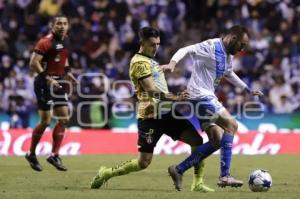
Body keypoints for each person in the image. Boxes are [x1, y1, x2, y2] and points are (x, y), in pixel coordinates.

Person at [90, 27, 214, 192]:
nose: (156, 47)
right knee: (144, 163)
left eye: (158, 44)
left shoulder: (151, 61)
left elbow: (155, 80)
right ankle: (105, 173)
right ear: (142, 43)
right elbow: (151, 91)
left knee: (197, 141)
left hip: (168, 114)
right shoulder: (139, 62)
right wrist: (176, 97)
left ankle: (197, 183)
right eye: (151, 44)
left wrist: (163, 69)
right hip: (150, 116)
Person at [161, 25, 264, 190]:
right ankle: (225, 176)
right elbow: (185, 49)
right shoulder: (210, 46)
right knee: (232, 125)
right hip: (200, 95)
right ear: (233, 38)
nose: (243, 49)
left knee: (217, 140)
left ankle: (178, 169)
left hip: (204, 96)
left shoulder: (228, 56)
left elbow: (229, 73)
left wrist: (248, 89)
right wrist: (172, 64)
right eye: (242, 45)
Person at [25, 15, 78, 172]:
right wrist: (47, 78)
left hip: (59, 82)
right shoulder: (45, 42)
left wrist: (68, 72)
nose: (62, 26)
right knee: (46, 121)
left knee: (64, 119)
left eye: (64, 23)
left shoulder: (65, 39)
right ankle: (31, 153)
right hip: (44, 83)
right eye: (59, 23)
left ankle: (54, 155)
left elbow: (63, 58)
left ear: (68, 25)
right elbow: (33, 63)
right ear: (52, 25)